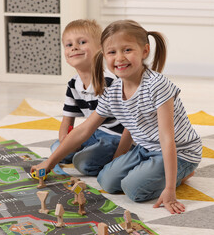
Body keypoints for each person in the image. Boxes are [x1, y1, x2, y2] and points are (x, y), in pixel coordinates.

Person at [31, 19, 202, 214]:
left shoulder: (157, 85)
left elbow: (166, 138)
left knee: (134, 189)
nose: (119, 58)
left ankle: (183, 172)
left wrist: (170, 189)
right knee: (107, 180)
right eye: (112, 52)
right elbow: (85, 129)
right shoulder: (113, 90)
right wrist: (50, 162)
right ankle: (154, 171)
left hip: (179, 151)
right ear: (104, 56)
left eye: (127, 50)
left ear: (145, 51)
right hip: (145, 147)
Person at [50, 19, 131, 175]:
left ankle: (124, 160)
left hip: (116, 137)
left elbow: (130, 124)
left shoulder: (110, 81)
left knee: (84, 163)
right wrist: (64, 140)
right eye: (68, 45)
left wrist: (119, 157)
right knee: (56, 148)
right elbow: (67, 120)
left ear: (101, 48)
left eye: (82, 42)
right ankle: (88, 151)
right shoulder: (74, 84)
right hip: (92, 133)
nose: (74, 47)